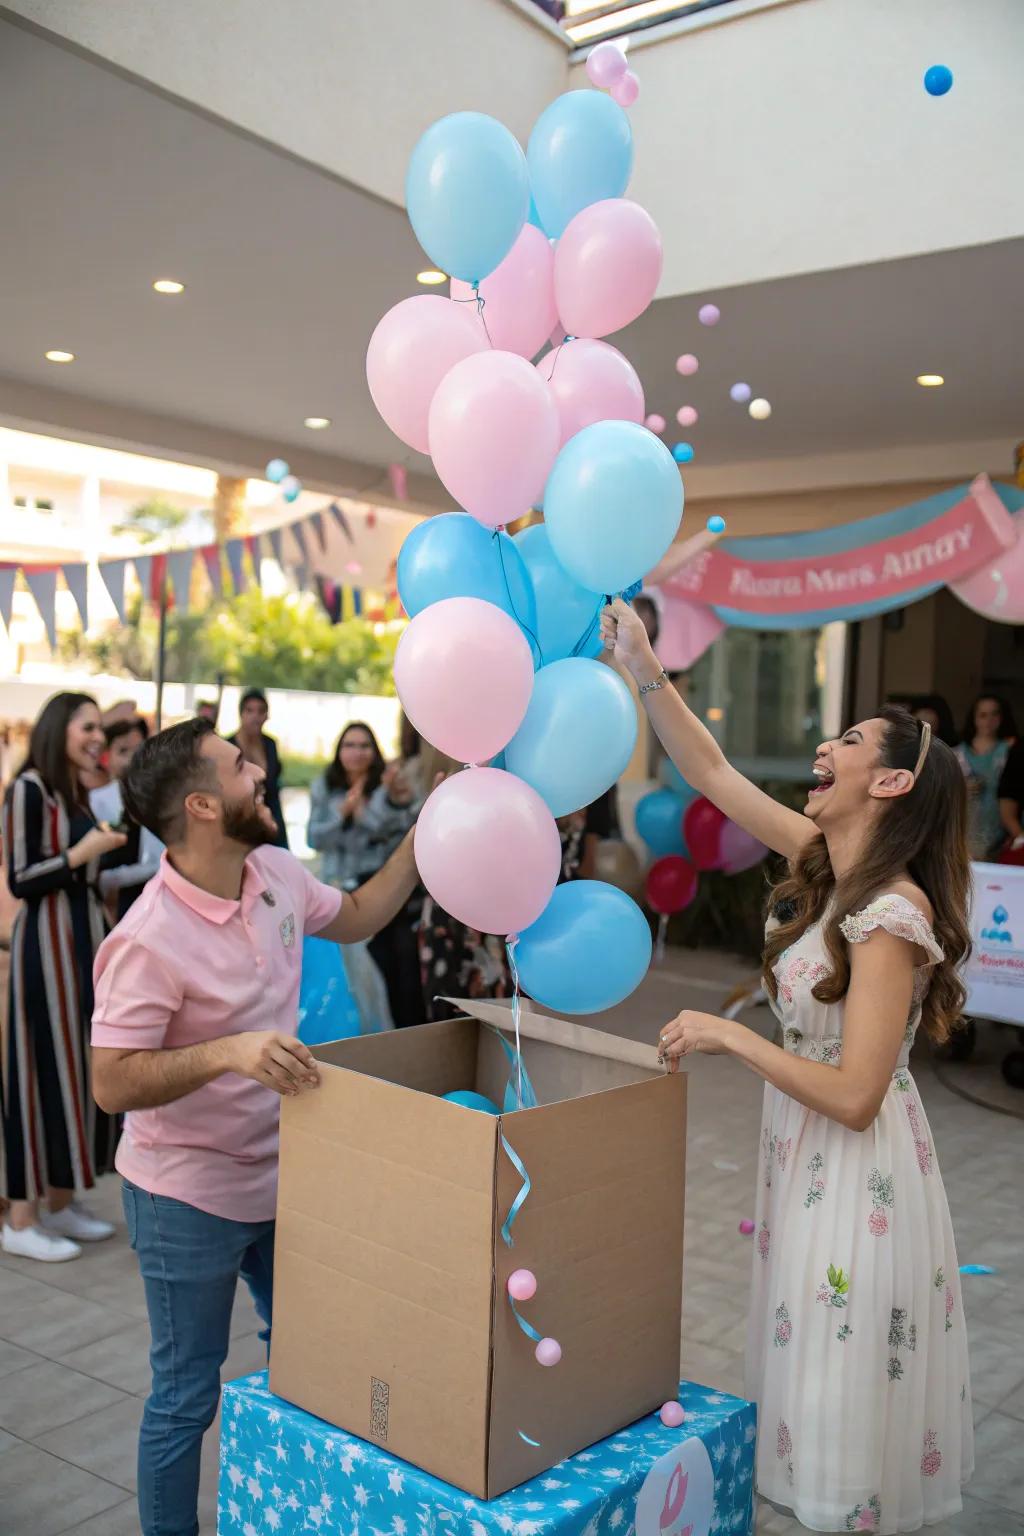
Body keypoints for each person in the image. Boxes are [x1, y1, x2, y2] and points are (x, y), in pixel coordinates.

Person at [602, 599, 973, 1535]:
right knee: (801, 1357)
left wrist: (732, 1037)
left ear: (888, 780)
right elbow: (711, 768)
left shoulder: (891, 915)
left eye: (846, 739)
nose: (825, 747)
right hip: (799, 1154)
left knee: (833, 1377)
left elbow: (855, 1096)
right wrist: (646, 666)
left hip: (855, 1170)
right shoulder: (823, 862)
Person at [89, 717, 424, 1536]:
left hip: (285, 1178)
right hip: (185, 1198)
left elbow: (358, 916)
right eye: (242, 768)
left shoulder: (273, 870)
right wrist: (227, 1052)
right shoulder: (147, 938)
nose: (261, 775)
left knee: (313, 1362)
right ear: (203, 806)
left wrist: (427, 834)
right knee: (186, 1395)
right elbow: (110, 1082)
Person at [1, 692, 127, 1262]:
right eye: (89, 727)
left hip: (81, 943)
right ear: (60, 730)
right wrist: (84, 852)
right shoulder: (29, 789)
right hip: (45, 947)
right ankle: (19, 1215)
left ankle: (60, 1199)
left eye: (101, 728)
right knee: (38, 1071)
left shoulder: (76, 791)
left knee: (75, 1068)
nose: (98, 737)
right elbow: (24, 879)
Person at [308, 722, 425, 1028]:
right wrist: (343, 814)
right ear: (339, 751)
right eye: (349, 745)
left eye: (364, 746)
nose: (357, 753)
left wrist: (378, 803)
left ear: (374, 751)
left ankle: (383, 1032)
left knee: (378, 971)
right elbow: (314, 838)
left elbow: (398, 833)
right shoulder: (325, 786)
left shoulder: (386, 786)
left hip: (376, 887)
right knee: (343, 974)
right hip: (337, 887)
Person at [90, 716, 164, 921]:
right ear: (107, 756)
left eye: (139, 750)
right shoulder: (97, 801)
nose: (133, 758)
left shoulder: (161, 799)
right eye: (123, 751)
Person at [955, 694, 1017, 859]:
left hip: (1001, 833)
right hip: (965, 832)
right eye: (983, 715)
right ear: (974, 719)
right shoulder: (957, 754)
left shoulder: (1011, 752)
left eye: (994, 714)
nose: (989, 720)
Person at [229, 688, 287, 847]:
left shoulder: (270, 744)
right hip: (240, 820)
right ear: (241, 714)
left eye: (261, 711)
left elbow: (273, 784)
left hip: (271, 813)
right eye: (249, 710)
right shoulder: (229, 746)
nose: (255, 717)